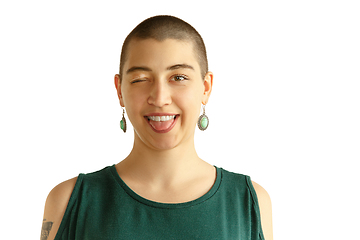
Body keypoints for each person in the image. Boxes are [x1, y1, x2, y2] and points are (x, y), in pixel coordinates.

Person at [41, 15, 273, 240]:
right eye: (141, 79)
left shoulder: (251, 203)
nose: (160, 98)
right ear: (120, 90)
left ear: (205, 88)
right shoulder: (68, 201)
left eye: (178, 77)